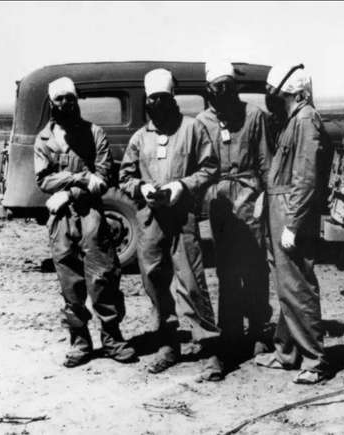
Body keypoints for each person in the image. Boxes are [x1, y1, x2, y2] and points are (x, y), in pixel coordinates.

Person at [118, 68, 224, 381]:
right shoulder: (140, 138)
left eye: (163, 98)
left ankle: (209, 346)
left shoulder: (192, 129)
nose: (158, 103)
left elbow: (209, 168)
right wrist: (141, 189)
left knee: (191, 279)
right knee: (154, 280)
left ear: (172, 98)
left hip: (182, 217)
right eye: (153, 99)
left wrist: (183, 186)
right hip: (150, 220)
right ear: (147, 101)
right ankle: (167, 344)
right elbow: (125, 176)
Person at [34, 77, 136, 368]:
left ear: (76, 100)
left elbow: (103, 177)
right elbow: (43, 180)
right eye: (59, 99)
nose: (65, 103)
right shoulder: (44, 140)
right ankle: (80, 342)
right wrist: (79, 178)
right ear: (52, 103)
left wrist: (67, 192)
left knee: (103, 278)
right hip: (61, 220)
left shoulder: (94, 133)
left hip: (91, 214)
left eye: (69, 98)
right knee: (70, 283)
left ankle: (113, 339)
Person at [254, 64, 332, 384]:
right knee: (285, 284)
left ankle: (315, 360)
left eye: (283, 97)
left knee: (297, 285)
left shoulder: (305, 120)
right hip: (279, 207)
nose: (278, 102)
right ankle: (287, 352)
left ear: (297, 95)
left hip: (290, 212)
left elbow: (305, 178)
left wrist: (293, 223)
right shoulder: (292, 122)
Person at [196, 61, 273, 360]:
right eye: (218, 88)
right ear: (209, 91)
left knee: (255, 265)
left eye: (230, 87)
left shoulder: (254, 116)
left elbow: (266, 160)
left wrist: (266, 195)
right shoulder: (202, 123)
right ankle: (230, 331)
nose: (225, 93)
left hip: (251, 197)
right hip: (221, 203)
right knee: (227, 270)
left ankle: (258, 329)